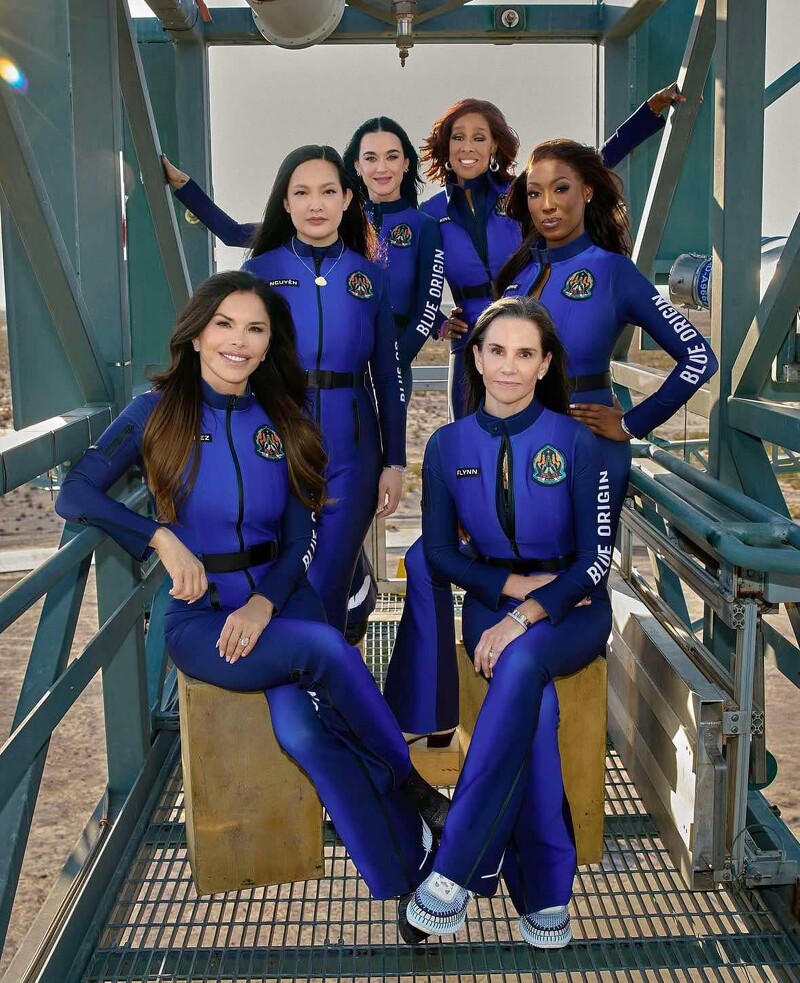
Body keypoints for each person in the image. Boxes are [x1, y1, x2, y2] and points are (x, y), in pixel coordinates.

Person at [54, 271, 447, 938]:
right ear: (197, 334)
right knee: (325, 651)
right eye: (225, 324)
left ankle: (408, 882)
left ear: (269, 345)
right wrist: (158, 538)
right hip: (202, 616)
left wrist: (264, 603)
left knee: (305, 733)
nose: (238, 340)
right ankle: (412, 788)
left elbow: (297, 539)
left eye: (255, 328)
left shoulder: (284, 418)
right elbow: (76, 493)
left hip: (282, 599)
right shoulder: (153, 413)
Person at [384, 116, 718, 746]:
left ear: (587, 192)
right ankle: (425, 718)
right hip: (507, 449)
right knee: (430, 558)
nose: (547, 204)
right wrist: (463, 328)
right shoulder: (520, 271)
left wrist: (632, 423)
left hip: (586, 448)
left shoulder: (613, 272)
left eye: (561, 190)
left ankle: (525, 680)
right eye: (535, 193)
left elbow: (698, 357)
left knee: (561, 580)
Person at [404, 297, 610, 946]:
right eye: (496, 351)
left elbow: (597, 559)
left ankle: (455, 865)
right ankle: (545, 892)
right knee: (536, 708)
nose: (509, 367)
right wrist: (514, 591)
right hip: (492, 599)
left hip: (573, 605)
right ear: (476, 357)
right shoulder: (447, 445)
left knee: (522, 665)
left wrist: (527, 613)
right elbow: (440, 554)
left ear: (545, 364)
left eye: (525, 354)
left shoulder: (577, 442)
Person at [419, 82, 685, 421]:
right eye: (458, 137)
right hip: (470, 347)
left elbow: (589, 164)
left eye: (479, 137)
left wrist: (648, 113)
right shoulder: (429, 214)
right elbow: (405, 281)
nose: (468, 147)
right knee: (469, 445)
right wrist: (439, 324)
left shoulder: (522, 192)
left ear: (494, 146)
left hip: (528, 342)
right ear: (446, 145)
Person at [235, 145, 405, 636]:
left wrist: (395, 462)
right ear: (285, 203)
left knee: (327, 582)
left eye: (328, 191)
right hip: (277, 443)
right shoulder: (258, 273)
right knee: (290, 575)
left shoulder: (371, 277)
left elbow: (388, 376)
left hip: (354, 449)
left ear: (348, 199)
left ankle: (325, 672)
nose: (316, 204)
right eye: (302, 193)